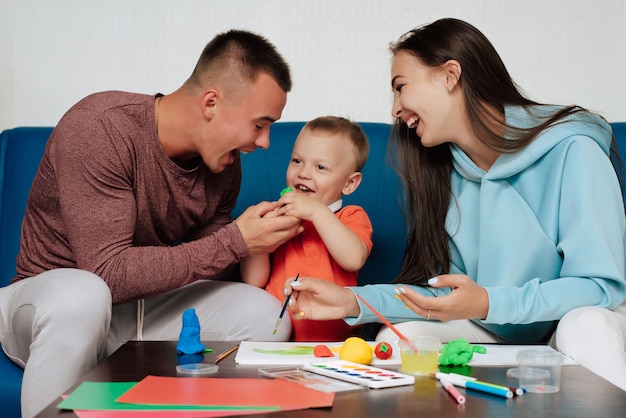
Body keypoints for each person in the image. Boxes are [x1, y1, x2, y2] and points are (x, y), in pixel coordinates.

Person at [285, 18, 626, 390]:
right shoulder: (442, 172)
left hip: (569, 326)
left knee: (586, 326)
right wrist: (351, 300)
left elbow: (601, 286)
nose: (396, 108)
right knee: (401, 338)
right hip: (497, 328)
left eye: (401, 88)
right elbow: (445, 294)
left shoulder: (573, 150)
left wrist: (488, 304)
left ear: (450, 76)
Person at [0, 29, 303, 417]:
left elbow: (209, 268)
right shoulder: (100, 127)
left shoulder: (224, 164)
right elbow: (106, 273)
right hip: (49, 309)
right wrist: (235, 241)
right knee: (83, 295)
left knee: (265, 316)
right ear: (211, 102)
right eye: (259, 124)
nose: (264, 142)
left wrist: (258, 239)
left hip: (138, 313)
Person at [241, 116, 373, 341]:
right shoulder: (279, 217)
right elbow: (253, 281)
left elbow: (353, 258)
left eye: (320, 167)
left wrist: (316, 212)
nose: (303, 173)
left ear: (349, 183)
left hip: (335, 344)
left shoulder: (350, 216)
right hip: (276, 339)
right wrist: (262, 236)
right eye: (297, 161)